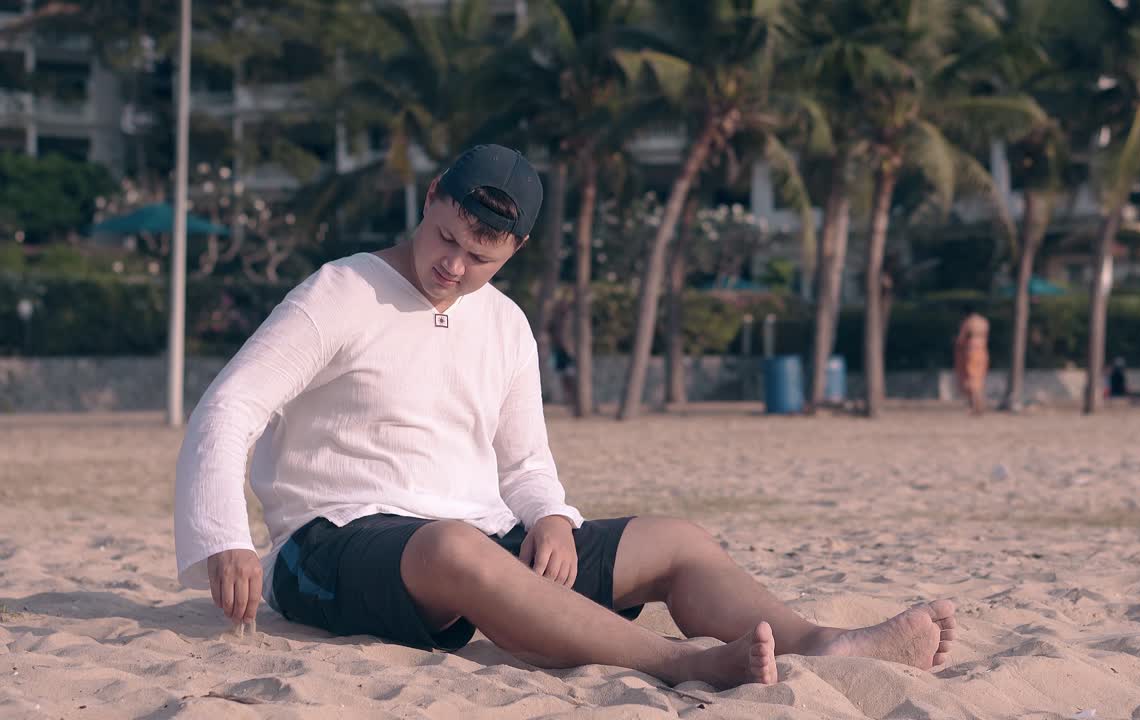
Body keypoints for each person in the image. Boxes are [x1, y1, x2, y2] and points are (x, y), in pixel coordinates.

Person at [174, 144, 958, 691]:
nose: (453, 265)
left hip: (475, 537)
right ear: (430, 199)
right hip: (333, 542)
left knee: (677, 540)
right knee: (456, 547)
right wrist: (225, 539)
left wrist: (549, 515)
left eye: (479, 257)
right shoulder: (339, 292)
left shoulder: (507, 325)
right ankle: (672, 663)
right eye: (445, 237)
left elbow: (522, 461)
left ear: (514, 250)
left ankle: (823, 644)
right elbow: (231, 403)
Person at [953, 304, 990, 415]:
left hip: (970, 352)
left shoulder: (968, 322)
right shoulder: (983, 321)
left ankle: (974, 407)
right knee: (979, 380)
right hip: (983, 351)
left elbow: (961, 339)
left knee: (971, 381)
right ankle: (980, 405)